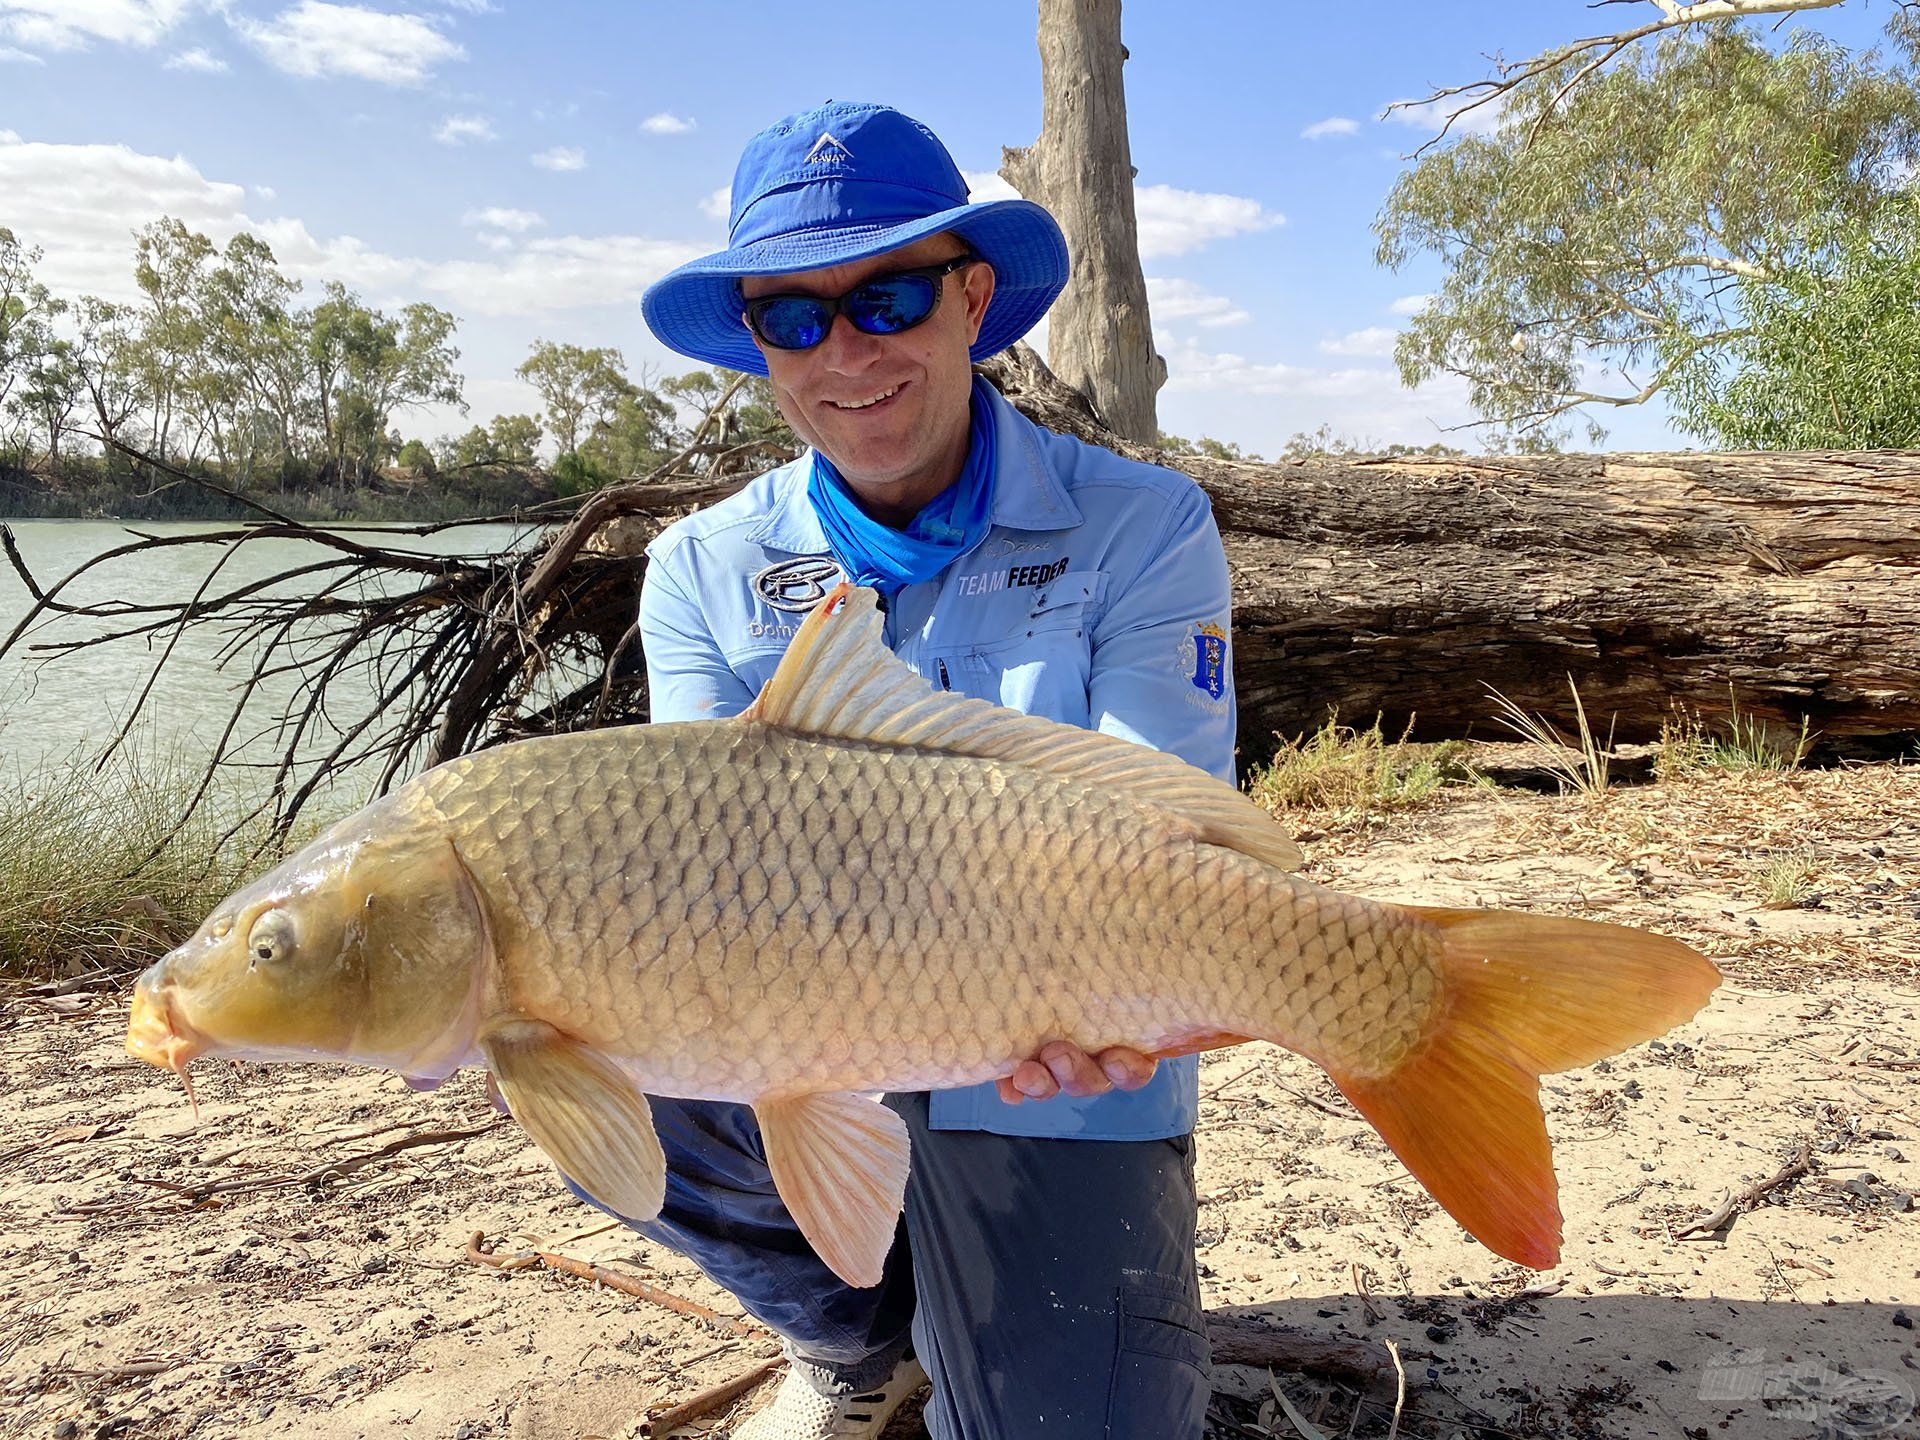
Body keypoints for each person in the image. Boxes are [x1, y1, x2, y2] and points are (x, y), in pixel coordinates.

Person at [603, 100, 1235, 1440]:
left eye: (889, 295)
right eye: (793, 317)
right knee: (578, 1026)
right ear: (760, 347)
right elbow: (694, 866)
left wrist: (1119, 988)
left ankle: (994, 1312)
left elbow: (1153, 829)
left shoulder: (1146, 526)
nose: (847, 351)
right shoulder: (702, 570)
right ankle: (859, 1338)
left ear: (971, 295)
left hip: (1062, 1059)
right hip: (817, 1039)